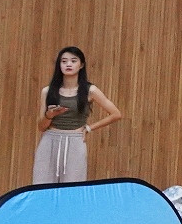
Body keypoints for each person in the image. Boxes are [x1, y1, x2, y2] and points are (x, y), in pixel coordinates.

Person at [32, 44, 121, 183]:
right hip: (49, 140)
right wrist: (50, 115)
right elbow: (41, 127)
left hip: (75, 140)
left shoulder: (90, 90)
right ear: (59, 65)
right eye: (64, 61)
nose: (68, 64)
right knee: (42, 184)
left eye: (73, 61)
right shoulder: (47, 91)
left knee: (73, 185)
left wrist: (89, 128)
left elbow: (116, 114)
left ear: (81, 65)